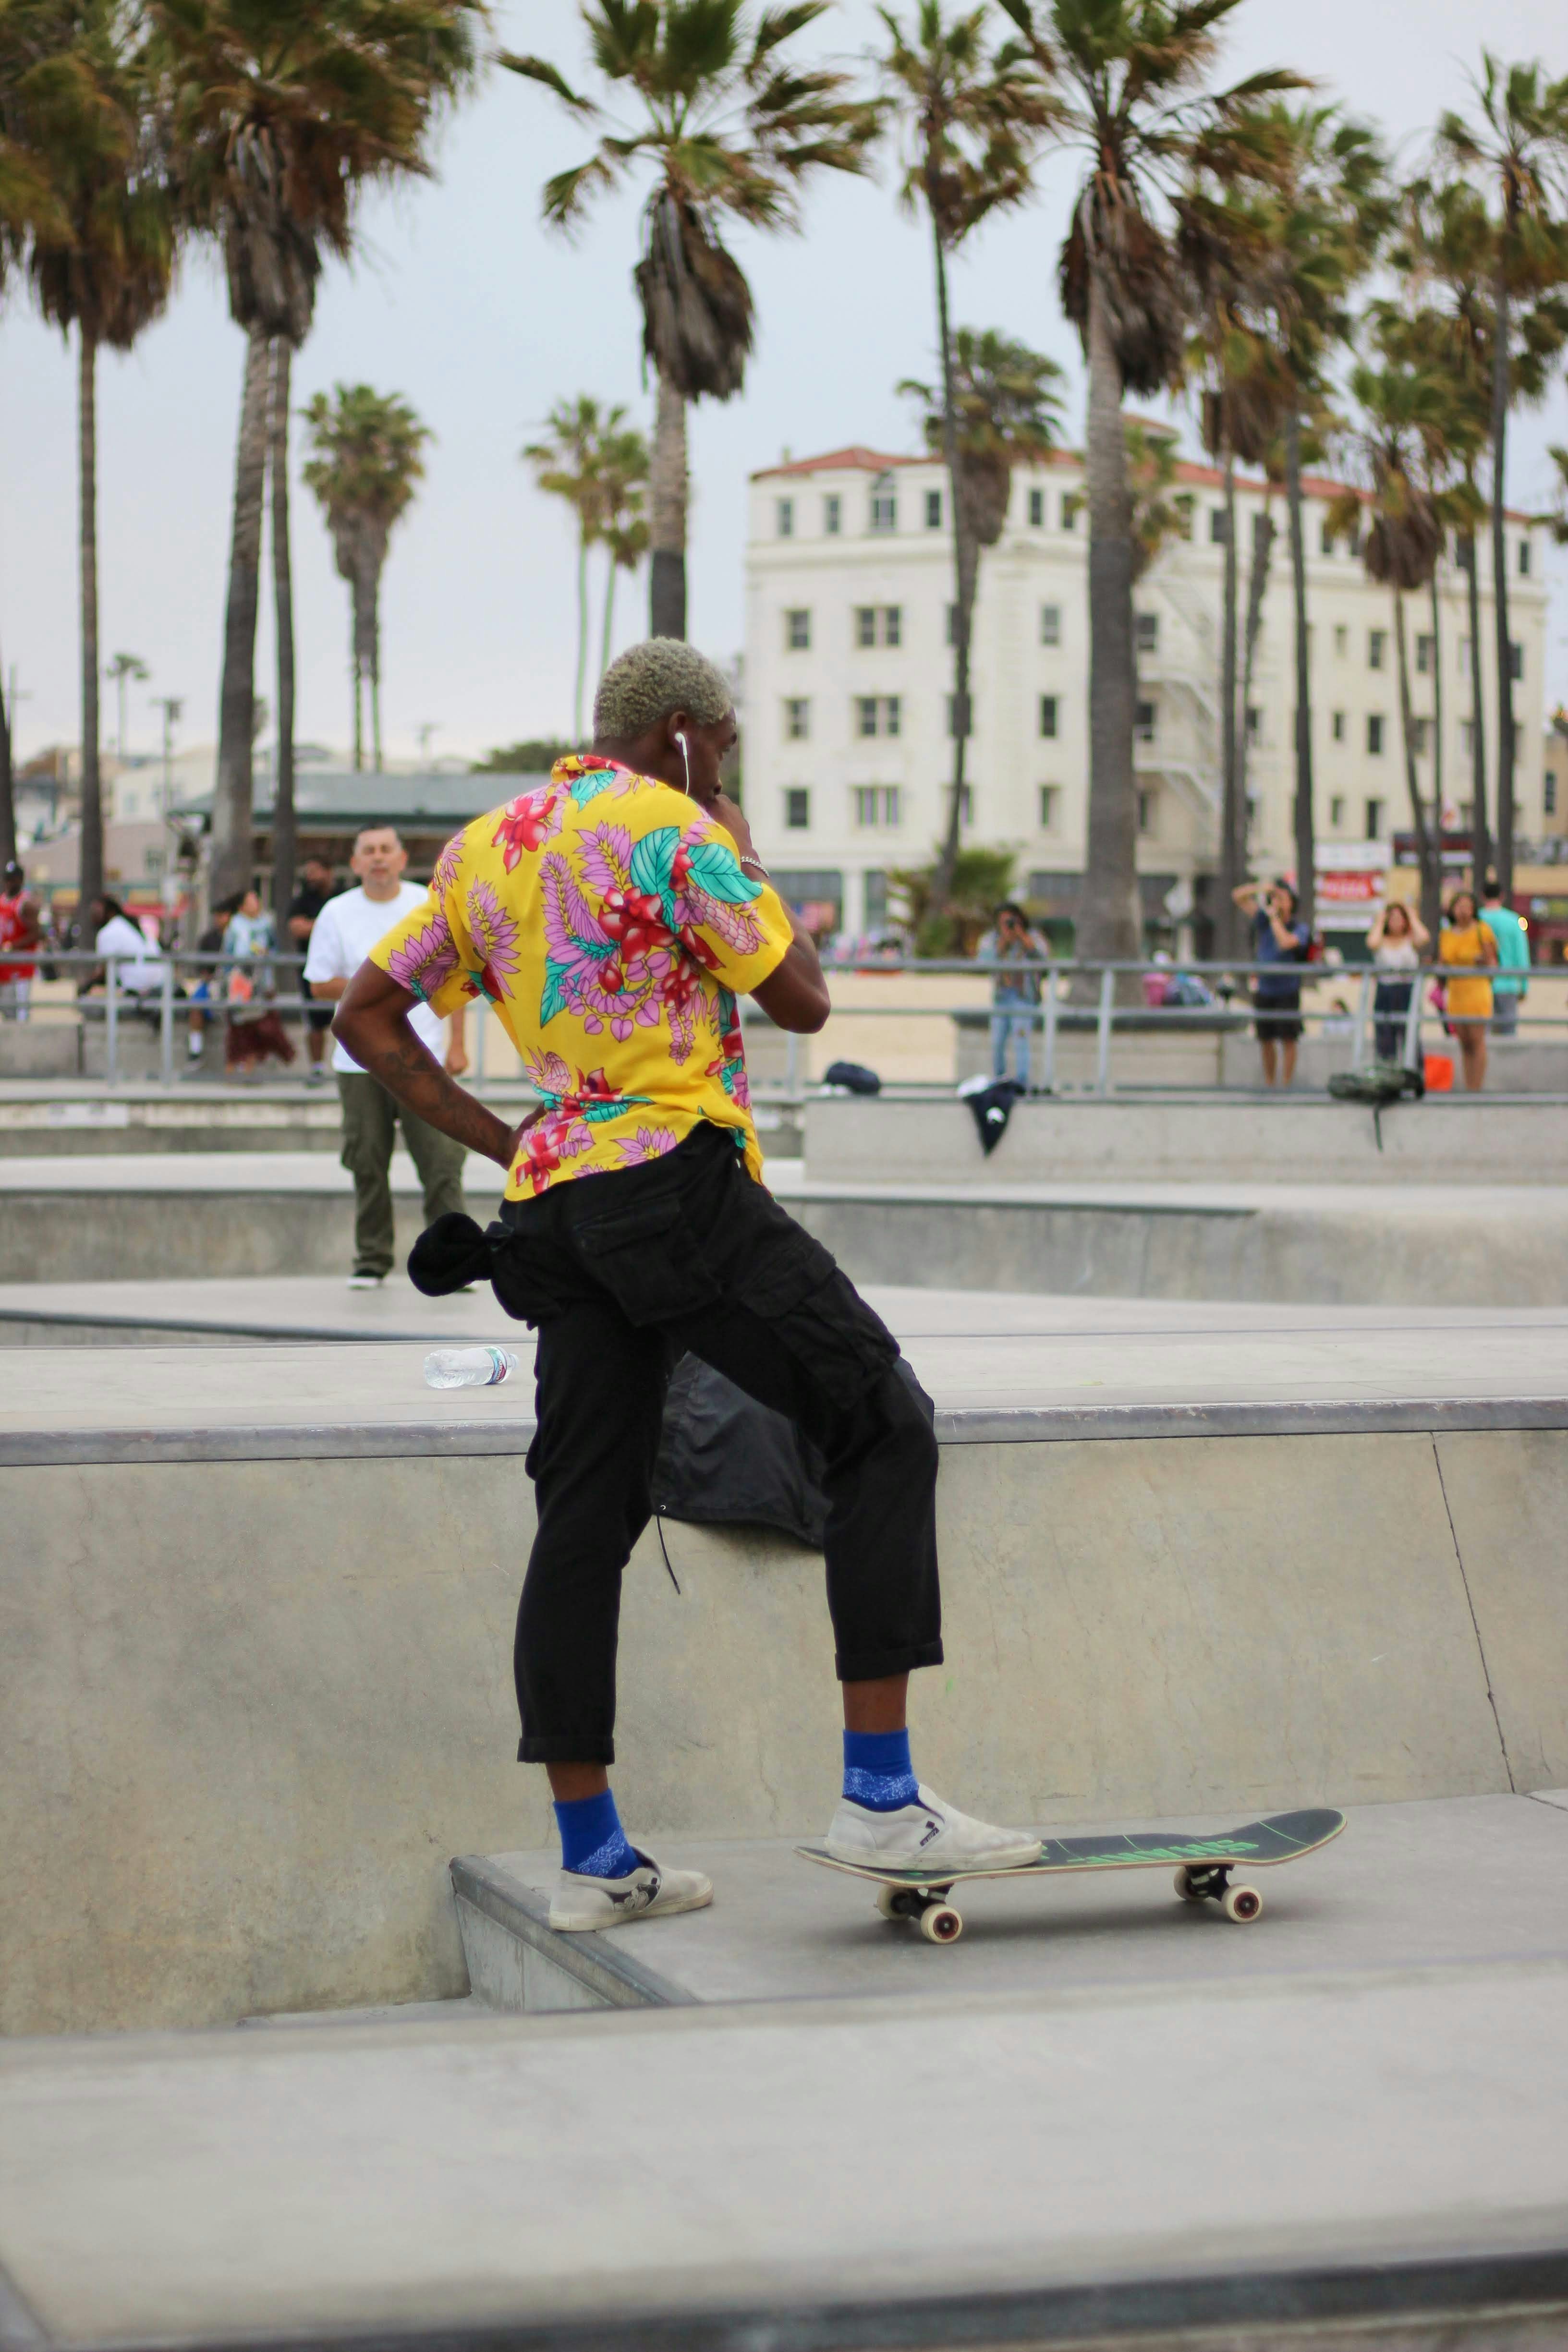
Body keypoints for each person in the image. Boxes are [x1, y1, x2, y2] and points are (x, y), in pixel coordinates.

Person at [334, 638, 1040, 1932]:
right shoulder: (675, 826)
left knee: (584, 1516)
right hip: (677, 1183)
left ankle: (593, 1859)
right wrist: (728, 826)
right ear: (684, 734)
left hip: (555, 1213)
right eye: (725, 742)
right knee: (881, 1419)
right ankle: (882, 1795)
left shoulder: (488, 843)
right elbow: (807, 1001)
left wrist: (512, 1143)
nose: (727, 762)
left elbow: (368, 1016)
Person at [306, 825, 470, 1289]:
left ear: (401, 859)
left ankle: (455, 1262)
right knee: (367, 1162)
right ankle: (372, 1259)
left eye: (386, 850)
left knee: (441, 1161)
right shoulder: (336, 913)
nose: (378, 858)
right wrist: (381, 984)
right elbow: (319, 983)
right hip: (359, 1063)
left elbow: (458, 979)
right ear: (356, 864)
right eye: (368, 852)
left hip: (425, 1059)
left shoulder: (428, 905)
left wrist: (458, 1045)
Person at [1232, 877, 1311, 1086]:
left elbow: (1286, 943)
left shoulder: (1299, 928)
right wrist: (1261, 888)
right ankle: (1270, 1082)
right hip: (1265, 988)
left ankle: (1286, 1083)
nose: (1278, 903)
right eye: (1275, 899)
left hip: (1288, 989)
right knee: (1266, 1039)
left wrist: (1275, 919)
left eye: (1283, 899)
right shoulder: (1262, 920)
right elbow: (1238, 897)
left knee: (1288, 1038)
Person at [221, 885, 297, 1082]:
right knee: (239, 1028)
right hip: (241, 985)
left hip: (263, 983)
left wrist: (266, 955)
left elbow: (275, 949)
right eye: (251, 901)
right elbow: (228, 955)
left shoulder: (266, 925)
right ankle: (234, 1068)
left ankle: (251, 1068)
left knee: (262, 1026)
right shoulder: (234, 927)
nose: (256, 904)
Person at [975, 901, 1049, 1088]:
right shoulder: (992, 939)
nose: (1008, 926)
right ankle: (1000, 1080)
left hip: (1025, 997)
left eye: (1011, 921)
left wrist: (1024, 940)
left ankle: (1022, 1083)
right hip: (1002, 998)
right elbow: (982, 963)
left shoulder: (1032, 937)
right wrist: (1002, 945)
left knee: (1021, 1040)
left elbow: (1045, 963)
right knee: (997, 1041)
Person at [1437, 886, 1496, 1092]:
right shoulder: (1446, 934)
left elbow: (1493, 963)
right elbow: (1442, 962)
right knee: (1463, 1041)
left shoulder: (1482, 930)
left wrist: (1481, 963)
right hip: (1456, 990)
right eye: (1459, 907)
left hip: (1476, 989)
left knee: (1476, 1039)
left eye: (1467, 907)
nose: (1463, 911)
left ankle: (1477, 1087)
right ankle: (1468, 1084)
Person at [286, 855, 339, 1083]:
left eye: (315, 871)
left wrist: (316, 925)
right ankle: (317, 1068)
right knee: (314, 1020)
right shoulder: (303, 900)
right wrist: (328, 923)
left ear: (329, 872)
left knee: (348, 1016)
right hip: (312, 969)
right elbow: (297, 928)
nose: (311, 877)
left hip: (343, 968)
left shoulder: (342, 897)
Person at [1366, 900, 1429, 1065]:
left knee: (1410, 1036)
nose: (1396, 921)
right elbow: (1372, 943)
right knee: (1385, 1038)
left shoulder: (1410, 941)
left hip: (1406, 990)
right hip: (1385, 990)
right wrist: (1380, 921)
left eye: (1400, 918)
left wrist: (1412, 916)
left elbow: (1424, 938)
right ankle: (1387, 1074)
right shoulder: (1381, 941)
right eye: (1392, 918)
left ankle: (1413, 1075)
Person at [78, 894, 166, 1010]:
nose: (93, 917)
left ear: (110, 912)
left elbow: (104, 972)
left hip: (140, 991)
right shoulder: (132, 926)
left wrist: (85, 986)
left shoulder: (109, 932)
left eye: (97, 912)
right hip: (161, 986)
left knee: (89, 1000)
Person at [1480, 876, 1529, 1041]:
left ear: (1482, 896)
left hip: (1481, 984)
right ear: (1502, 896)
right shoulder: (1514, 921)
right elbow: (1521, 956)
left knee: (1482, 1035)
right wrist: (1524, 985)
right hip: (1508, 983)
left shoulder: (1477, 921)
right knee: (1508, 1035)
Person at [0, 861, 41, 1021]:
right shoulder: (3, 901)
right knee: (7, 1008)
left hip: (22, 965)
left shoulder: (26, 903)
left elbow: (37, 933)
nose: (10, 882)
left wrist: (13, 946)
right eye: (8, 878)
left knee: (22, 1011)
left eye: (14, 879)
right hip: (5, 965)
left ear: (21, 880)